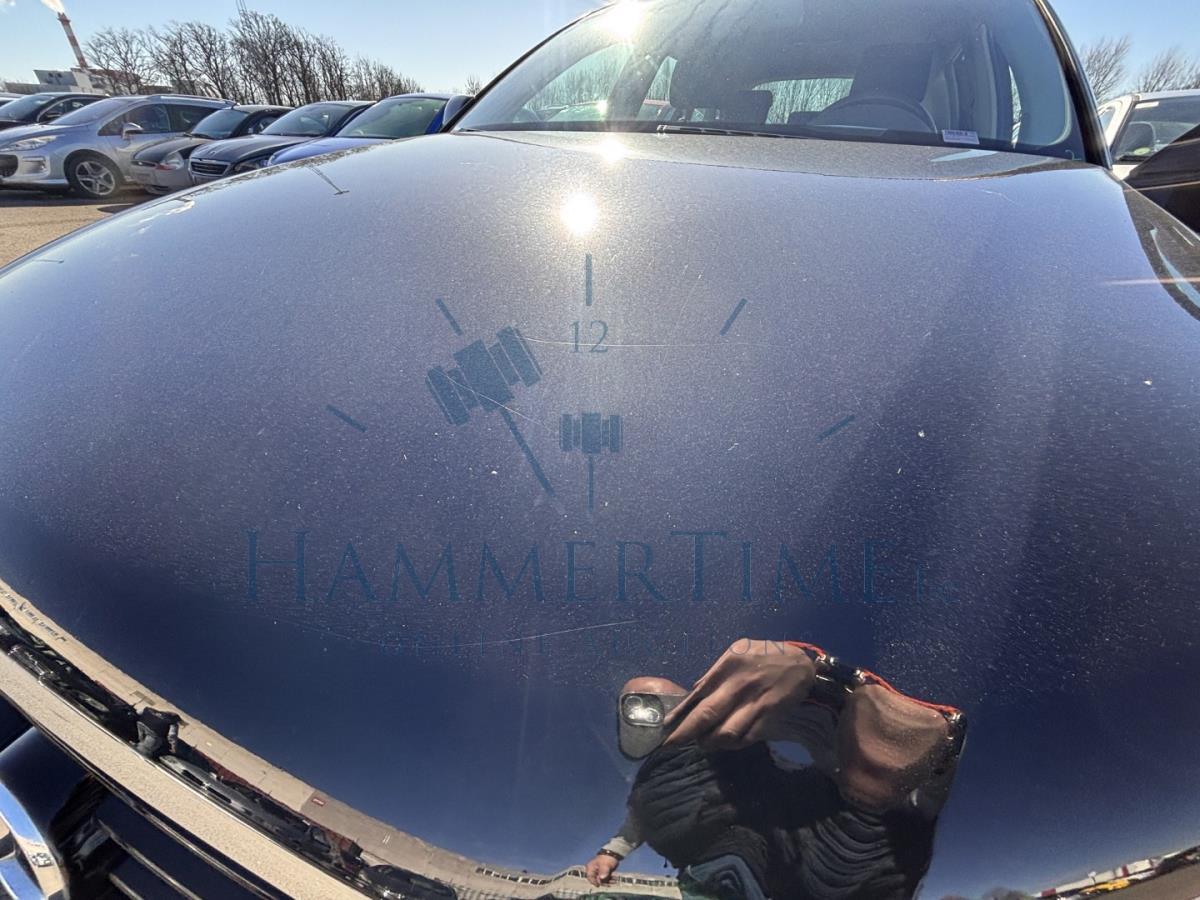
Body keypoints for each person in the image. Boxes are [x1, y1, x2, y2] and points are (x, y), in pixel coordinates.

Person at [585, 639, 964, 899]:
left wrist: (818, 678)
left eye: (681, 704)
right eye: (642, 709)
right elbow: (645, 808)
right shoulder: (661, 787)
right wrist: (611, 852)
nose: (666, 717)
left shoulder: (747, 761)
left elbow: (899, 774)